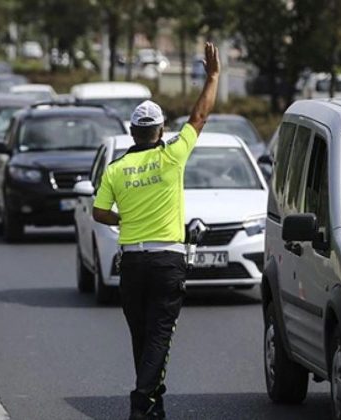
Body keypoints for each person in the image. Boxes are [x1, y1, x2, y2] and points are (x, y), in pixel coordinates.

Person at [92, 42, 220, 420]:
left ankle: (153, 406)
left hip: (131, 263)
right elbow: (199, 116)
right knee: (159, 337)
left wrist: (124, 220)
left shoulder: (115, 169)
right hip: (167, 261)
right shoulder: (172, 156)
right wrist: (212, 77)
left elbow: (99, 213)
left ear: (132, 132)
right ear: (161, 130)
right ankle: (141, 402)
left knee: (142, 337)